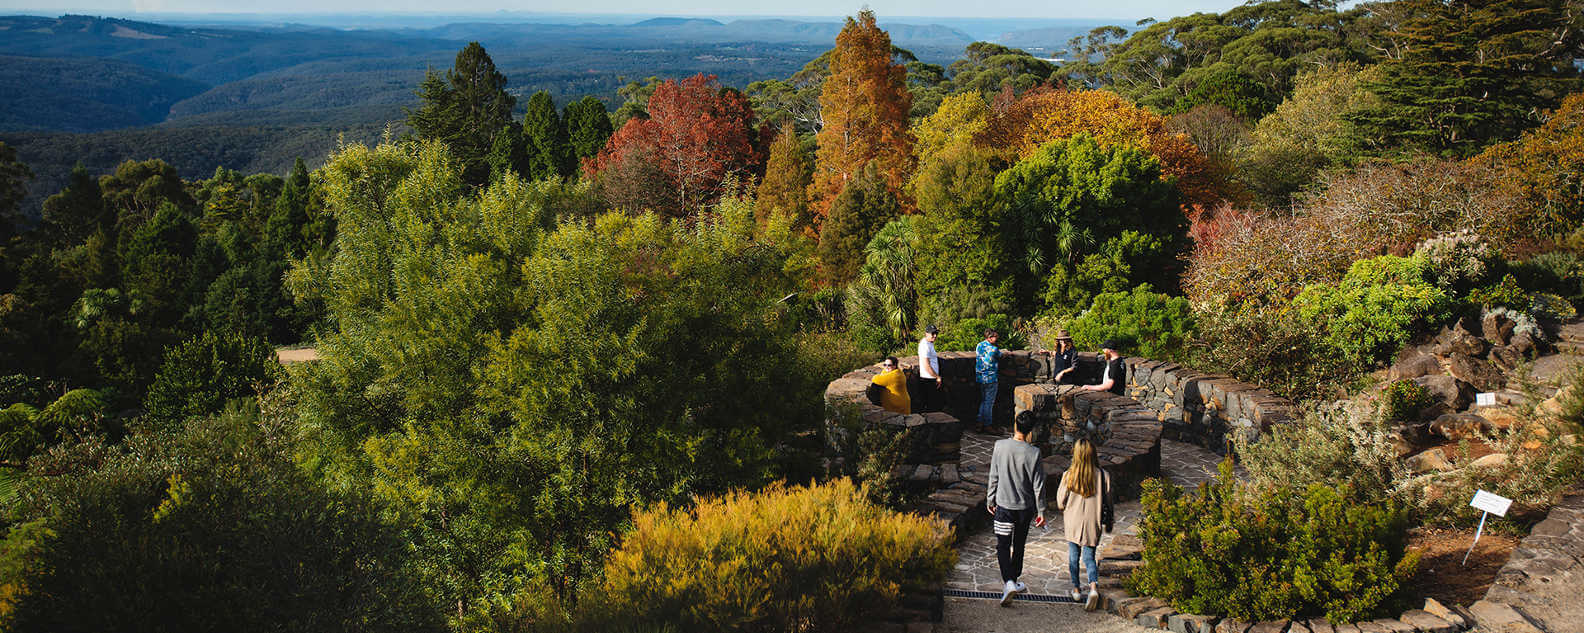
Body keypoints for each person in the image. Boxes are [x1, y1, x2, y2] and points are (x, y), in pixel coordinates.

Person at [987, 411, 1047, 606]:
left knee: (1003, 545)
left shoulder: (999, 446)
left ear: (1015, 425)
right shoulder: (1034, 453)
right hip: (1024, 508)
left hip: (1003, 506)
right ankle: (1013, 579)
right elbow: (1038, 486)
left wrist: (990, 499)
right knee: (1019, 544)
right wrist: (1041, 512)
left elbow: (993, 475)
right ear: (1031, 431)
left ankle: (1009, 581)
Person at [1056, 438, 1110, 610]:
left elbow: (1059, 501)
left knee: (1073, 557)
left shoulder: (1069, 475)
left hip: (1073, 522)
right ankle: (1093, 587)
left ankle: (1077, 589)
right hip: (1092, 523)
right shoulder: (1103, 475)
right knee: (1089, 557)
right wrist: (1109, 521)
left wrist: (1066, 507)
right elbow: (1109, 502)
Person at [975, 329, 1009, 432]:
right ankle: (987, 425)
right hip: (991, 378)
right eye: (995, 337)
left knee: (983, 401)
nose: (996, 338)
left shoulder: (979, 345)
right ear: (989, 338)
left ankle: (979, 423)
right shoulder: (994, 349)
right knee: (989, 402)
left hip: (980, 377)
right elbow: (1001, 355)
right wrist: (1006, 353)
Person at [915, 325, 942, 412]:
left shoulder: (929, 343)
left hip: (930, 378)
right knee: (930, 406)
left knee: (932, 404)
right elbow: (926, 365)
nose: (935, 336)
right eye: (933, 333)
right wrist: (937, 377)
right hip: (928, 379)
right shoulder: (924, 346)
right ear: (926, 334)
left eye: (936, 333)